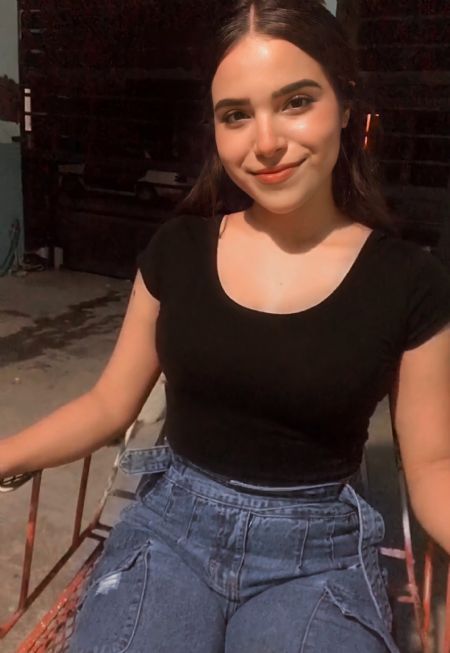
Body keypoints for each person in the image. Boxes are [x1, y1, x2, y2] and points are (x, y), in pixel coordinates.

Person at [1, 1, 450, 651]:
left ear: (346, 105)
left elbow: (432, 464)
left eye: (296, 102)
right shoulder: (178, 251)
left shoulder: (408, 281)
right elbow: (108, 404)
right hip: (171, 530)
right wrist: (7, 452)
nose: (265, 143)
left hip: (316, 554)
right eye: (236, 114)